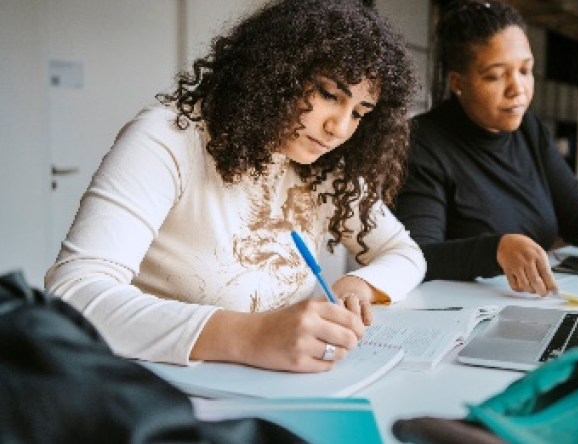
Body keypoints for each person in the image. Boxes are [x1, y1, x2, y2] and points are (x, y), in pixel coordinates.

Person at [45, 0, 425, 374]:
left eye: (359, 112)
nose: (339, 129)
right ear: (278, 71)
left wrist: (358, 285)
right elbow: (74, 295)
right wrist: (250, 337)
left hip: (271, 390)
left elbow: (403, 251)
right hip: (156, 392)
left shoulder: (325, 167)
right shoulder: (169, 138)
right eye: (328, 95)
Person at [393, 0, 578, 297]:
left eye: (525, 70)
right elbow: (417, 257)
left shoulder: (530, 129)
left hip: (529, 302)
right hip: (459, 317)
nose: (518, 89)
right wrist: (496, 250)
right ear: (457, 83)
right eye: (496, 75)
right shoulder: (422, 143)